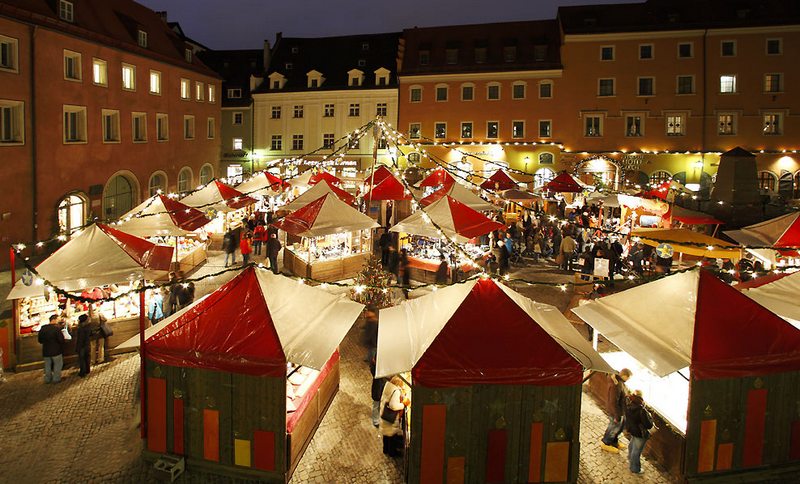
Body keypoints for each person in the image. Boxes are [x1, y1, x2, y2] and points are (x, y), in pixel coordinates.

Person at [601, 368, 632, 453]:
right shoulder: (616, 384)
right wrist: (616, 415)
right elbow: (613, 401)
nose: (628, 380)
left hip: (620, 411)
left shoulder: (620, 383)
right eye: (628, 378)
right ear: (624, 376)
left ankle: (614, 441)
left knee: (619, 427)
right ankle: (606, 443)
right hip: (615, 411)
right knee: (613, 427)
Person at [624, 390, 654, 475]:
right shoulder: (641, 410)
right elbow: (648, 425)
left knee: (632, 445)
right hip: (640, 432)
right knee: (637, 450)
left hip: (632, 429)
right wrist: (650, 418)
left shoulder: (628, 405)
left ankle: (630, 458)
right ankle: (635, 468)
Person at [379, 375, 407, 457]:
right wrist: (403, 404)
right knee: (391, 436)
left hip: (384, 414)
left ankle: (385, 449)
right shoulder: (396, 391)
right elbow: (393, 406)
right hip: (390, 417)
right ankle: (392, 452)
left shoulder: (387, 385)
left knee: (386, 434)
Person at [38, 314, 65, 384]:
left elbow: (40, 340)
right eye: (58, 319)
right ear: (54, 320)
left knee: (47, 365)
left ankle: (47, 379)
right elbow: (61, 340)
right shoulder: (56, 329)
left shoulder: (43, 328)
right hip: (56, 351)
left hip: (46, 351)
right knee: (57, 365)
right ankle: (56, 379)